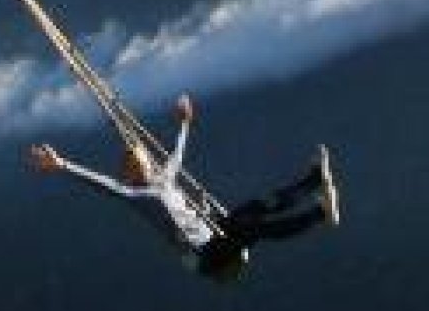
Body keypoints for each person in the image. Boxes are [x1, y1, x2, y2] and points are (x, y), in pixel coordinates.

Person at [29, 95, 338, 280]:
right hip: (208, 257)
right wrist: (62, 165)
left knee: (256, 208)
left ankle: (312, 182)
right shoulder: (140, 195)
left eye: (144, 158)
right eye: (142, 160)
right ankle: (320, 215)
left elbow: (176, 155)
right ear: (137, 171)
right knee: (252, 229)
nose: (148, 159)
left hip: (213, 232)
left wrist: (185, 123)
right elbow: (105, 185)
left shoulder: (163, 178)